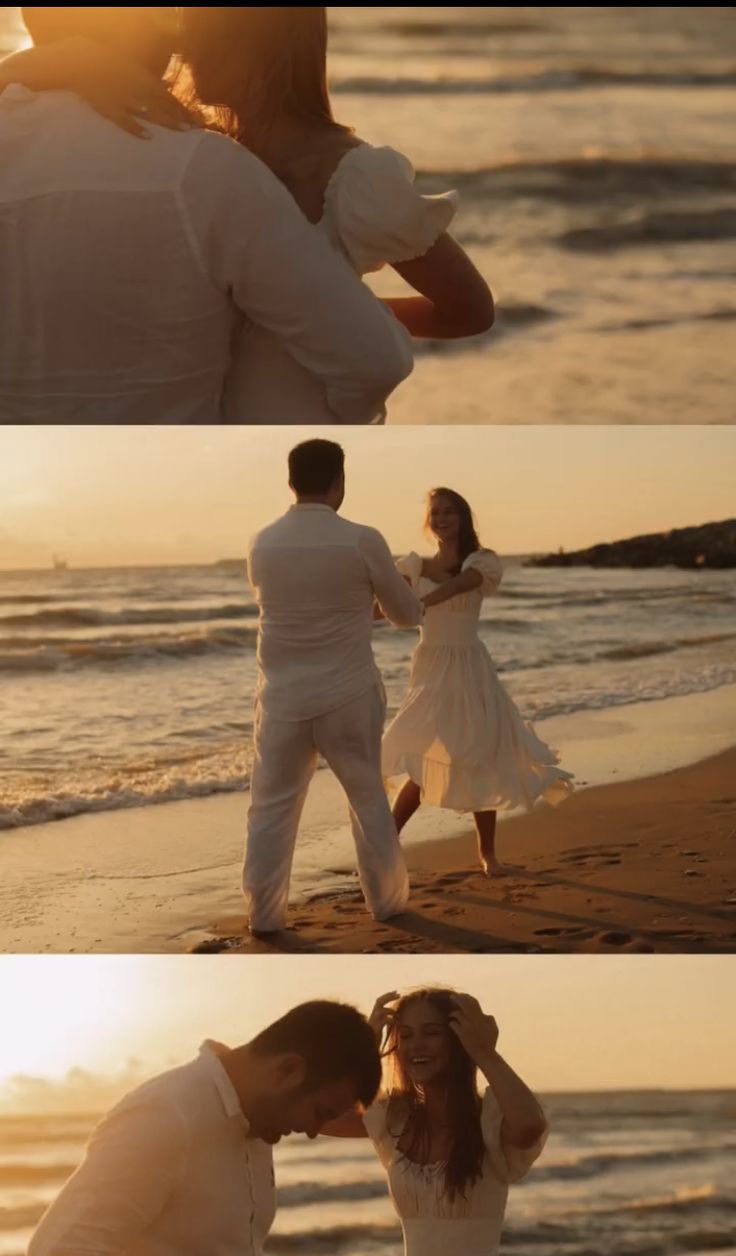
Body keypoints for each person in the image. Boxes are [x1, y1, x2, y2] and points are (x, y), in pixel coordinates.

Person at [0, 7, 493, 423]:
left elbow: (465, 310)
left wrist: (327, 318)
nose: (185, 50)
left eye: (206, 34)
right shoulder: (214, 156)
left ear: (265, 47)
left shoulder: (344, 172)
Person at [27, 1000, 381, 1256]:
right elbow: (61, 1251)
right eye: (320, 1112)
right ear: (288, 1070)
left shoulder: (258, 1121)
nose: (313, 1131)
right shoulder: (166, 1114)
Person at [244, 438, 423, 933]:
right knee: (367, 798)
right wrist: (404, 581)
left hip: (281, 698)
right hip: (347, 693)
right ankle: (387, 903)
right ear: (340, 481)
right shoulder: (362, 539)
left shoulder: (261, 541)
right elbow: (407, 616)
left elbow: (285, 608)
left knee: (271, 810)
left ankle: (264, 915)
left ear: (290, 482)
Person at [382, 488, 574, 875]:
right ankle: (382, 849)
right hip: (431, 668)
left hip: (469, 666)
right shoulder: (413, 565)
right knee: (422, 756)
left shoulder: (481, 561)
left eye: (449, 511)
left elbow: (457, 587)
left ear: (464, 516)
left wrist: (416, 605)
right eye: (435, 512)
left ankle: (488, 856)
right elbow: (384, 609)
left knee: (480, 754)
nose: (441, 517)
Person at [324, 987, 548, 1256]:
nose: (416, 1046)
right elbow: (321, 1116)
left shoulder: (488, 1121)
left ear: (459, 1041)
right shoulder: (394, 1119)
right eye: (407, 1035)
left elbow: (530, 1125)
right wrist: (364, 1055)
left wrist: (485, 1053)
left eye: (432, 1033)